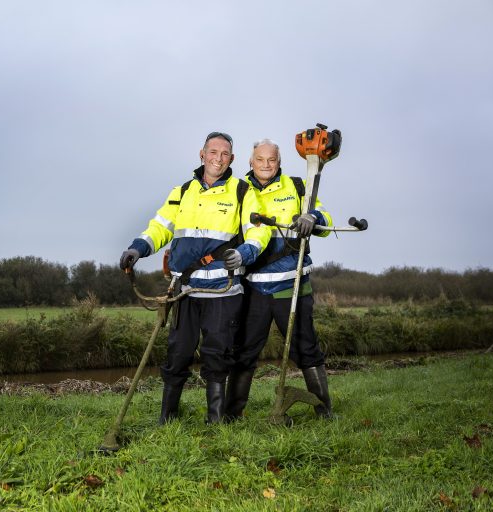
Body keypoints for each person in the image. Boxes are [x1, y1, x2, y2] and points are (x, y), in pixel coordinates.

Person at [119, 132, 269, 424]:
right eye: (213, 152)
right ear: (202, 154)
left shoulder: (243, 191)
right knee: (178, 353)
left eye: (224, 154)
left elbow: (258, 231)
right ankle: (167, 419)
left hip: (223, 290)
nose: (218, 159)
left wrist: (245, 253)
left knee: (217, 354)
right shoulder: (183, 191)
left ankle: (215, 421)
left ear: (232, 159)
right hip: (184, 289)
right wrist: (137, 249)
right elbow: (160, 227)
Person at [225, 138, 334, 421]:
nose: (266, 165)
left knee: (306, 348)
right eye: (260, 160)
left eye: (271, 160)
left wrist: (313, 217)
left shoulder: (297, 186)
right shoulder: (239, 190)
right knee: (244, 350)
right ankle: (232, 415)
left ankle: (325, 411)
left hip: (292, 285)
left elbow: (327, 221)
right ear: (250, 162)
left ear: (279, 162)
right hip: (254, 288)